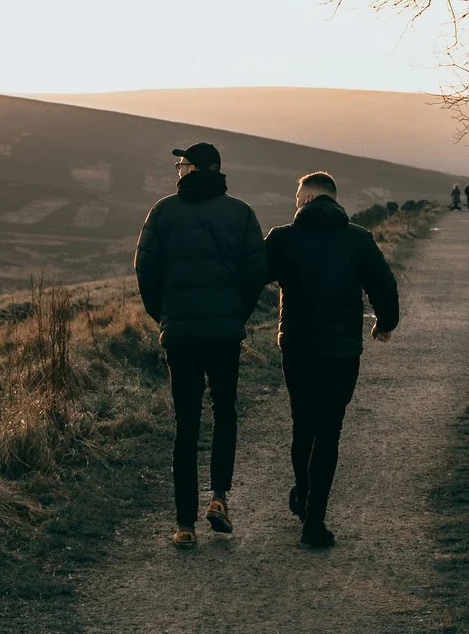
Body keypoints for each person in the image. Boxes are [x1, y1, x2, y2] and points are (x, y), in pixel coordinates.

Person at [134, 141, 266, 547]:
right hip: (225, 333)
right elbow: (255, 272)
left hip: (182, 334)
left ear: (198, 169)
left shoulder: (163, 212)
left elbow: (144, 269)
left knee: (186, 425)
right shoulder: (241, 213)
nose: (179, 170)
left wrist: (165, 316)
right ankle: (220, 497)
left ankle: (184, 525)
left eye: (183, 164)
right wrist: (236, 315)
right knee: (225, 411)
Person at [261, 170, 399, 549]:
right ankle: (314, 521)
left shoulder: (283, 238)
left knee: (301, 424)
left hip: (297, 348)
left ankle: (304, 503)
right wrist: (385, 323)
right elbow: (384, 284)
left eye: (297, 197)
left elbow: (252, 275)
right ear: (334, 200)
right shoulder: (357, 239)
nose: (294, 202)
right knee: (329, 431)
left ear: (307, 199)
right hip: (341, 352)